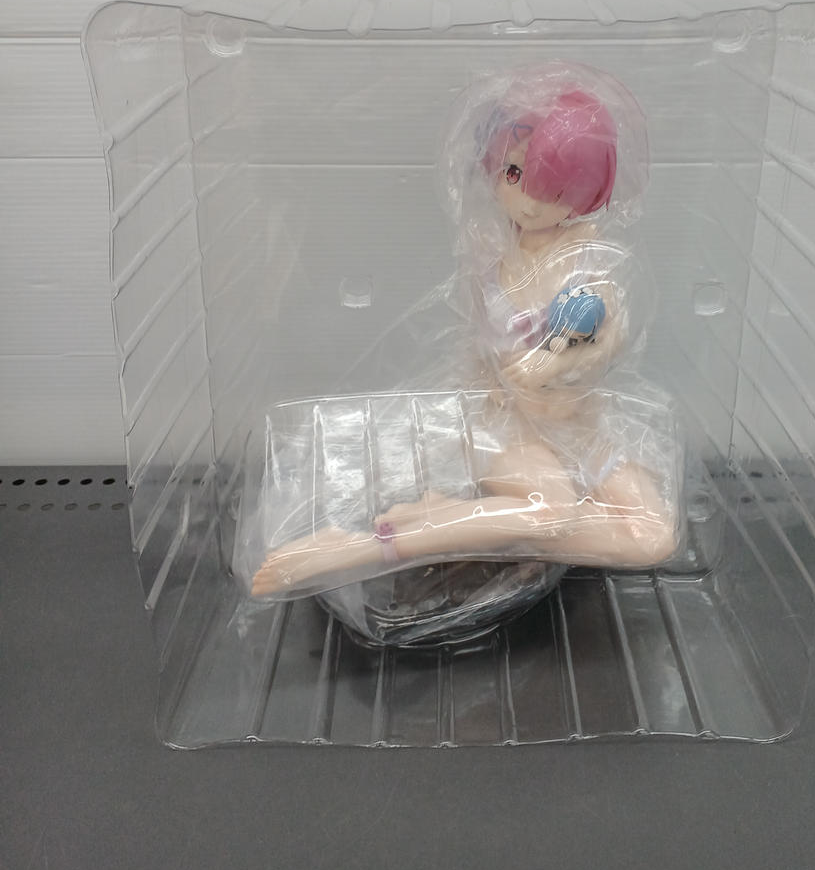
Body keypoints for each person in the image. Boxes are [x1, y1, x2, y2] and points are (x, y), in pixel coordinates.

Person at [251, 65, 680, 598]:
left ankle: (471, 528)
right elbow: (482, 352)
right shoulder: (493, 254)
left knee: (654, 537)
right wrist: (510, 381)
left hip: (581, 432)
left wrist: (557, 359)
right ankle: (361, 546)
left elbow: (605, 332)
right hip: (510, 429)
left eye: (555, 186)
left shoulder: (587, 257)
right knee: (550, 511)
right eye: (514, 174)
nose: (530, 201)